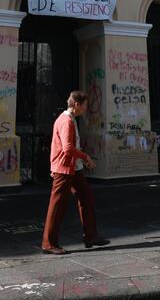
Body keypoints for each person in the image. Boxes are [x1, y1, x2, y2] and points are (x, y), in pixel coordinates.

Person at [41, 91, 109, 254]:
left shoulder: (69, 119)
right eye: (85, 105)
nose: (86, 109)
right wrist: (86, 157)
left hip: (73, 168)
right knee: (57, 205)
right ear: (77, 105)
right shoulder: (66, 121)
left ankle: (91, 236)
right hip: (64, 169)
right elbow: (67, 148)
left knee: (86, 199)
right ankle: (48, 243)